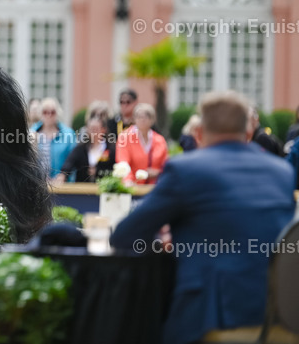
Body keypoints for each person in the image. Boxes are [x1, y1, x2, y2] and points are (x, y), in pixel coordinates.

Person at [111, 90, 296, 344]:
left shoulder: (186, 169)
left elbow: (124, 235)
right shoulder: (282, 172)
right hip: (281, 319)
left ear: (198, 133)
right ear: (249, 132)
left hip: (208, 321)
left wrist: (168, 239)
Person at [116, 102, 168, 184]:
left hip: (155, 186)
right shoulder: (125, 137)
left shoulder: (159, 140)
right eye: (139, 116)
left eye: (147, 116)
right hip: (132, 186)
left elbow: (166, 165)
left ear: (152, 120)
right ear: (134, 119)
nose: (143, 119)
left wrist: (158, 172)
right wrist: (128, 181)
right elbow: (123, 163)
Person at [55, 112, 114, 183]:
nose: (92, 132)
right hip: (83, 190)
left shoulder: (111, 148)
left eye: (95, 129)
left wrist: (98, 171)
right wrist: (62, 175)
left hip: (105, 188)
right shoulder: (81, 148)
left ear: (103, 130)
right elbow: (69, 163)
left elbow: (114, 170)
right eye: (90, 129)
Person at [29, 97, 77, 179]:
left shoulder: (68, 134)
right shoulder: (32, 132)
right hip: (37, 184)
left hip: (61, 186)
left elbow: (73, 160)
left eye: (52, 112)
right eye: (45, 112)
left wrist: (64, 175)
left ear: (58, 113)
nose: (49, 115)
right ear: (40, 113)